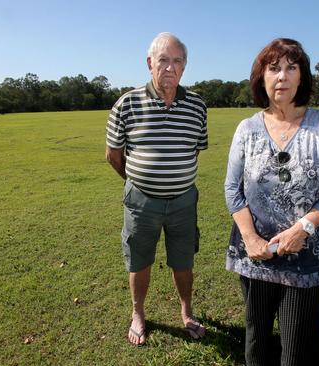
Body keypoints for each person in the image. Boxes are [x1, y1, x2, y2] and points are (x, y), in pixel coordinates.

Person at [224, 38, 319, 365]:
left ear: (302, 77)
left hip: (305, 257)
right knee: (256, 342)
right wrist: (251, 238)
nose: (282, 76)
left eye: (291, 68)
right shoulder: (247, 128)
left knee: (296, 350)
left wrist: (303, 228)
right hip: (256, 256)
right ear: (262, 78)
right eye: (273, 68)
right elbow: (231, 189)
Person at [105, 32, 208, 346]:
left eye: (177, 61)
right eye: (163, 60)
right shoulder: (127, 103)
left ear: (184, 67)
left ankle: (187, 311)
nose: (170, 68)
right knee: (139, 260)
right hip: (141, 202)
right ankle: (138, 313)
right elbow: (113, 155)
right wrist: (139, 181)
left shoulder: (197, 107)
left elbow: (194, 151)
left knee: (183, 260)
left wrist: (172, 177)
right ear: (150, 63)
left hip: (183, 202)